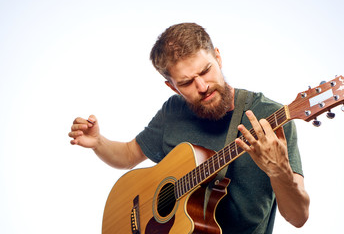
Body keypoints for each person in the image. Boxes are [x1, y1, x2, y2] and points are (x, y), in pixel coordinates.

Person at [69, 23, 309, 233]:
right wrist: (98, 142)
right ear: (172, 87)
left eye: (206, 70)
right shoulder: (174, 110)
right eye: (186, 82)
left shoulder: (270, 118)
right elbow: (130, 154)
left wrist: (279, 171)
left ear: (218, 57)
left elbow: (298, 217)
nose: (202, 86)